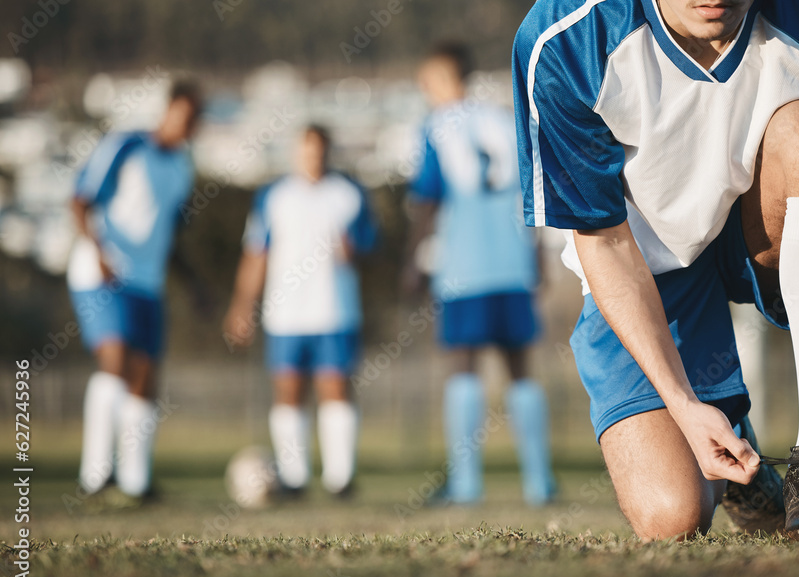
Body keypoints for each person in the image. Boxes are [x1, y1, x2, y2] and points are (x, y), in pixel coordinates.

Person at [513, 0, 799, 539]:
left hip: (766, 233)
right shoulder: (566, 38)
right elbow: (605, 241)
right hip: (648, 271)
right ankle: (743, 468)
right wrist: (684, 405)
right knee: (674, 518)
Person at [403, 42, 557, 506]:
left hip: (463, 266)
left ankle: (466, 483)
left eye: (428, 82)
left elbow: (428, 199)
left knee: (463, 366)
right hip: (512, 261)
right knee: (520, 370)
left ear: (450, 79)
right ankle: (539, 482)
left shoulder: (437, 126)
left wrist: (411, 259)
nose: (425, 92)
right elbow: (533, 191)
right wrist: (538, 258)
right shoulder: (503, 121)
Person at [224, 125, 377, 497]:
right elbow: (256, 254)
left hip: (336, 311)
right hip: (285, 313)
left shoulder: (349, 194)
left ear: (328, 152)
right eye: (307, 150)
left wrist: (352, 250)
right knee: (289, 392)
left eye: (320, 150)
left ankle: (340, 479)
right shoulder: (273, 197)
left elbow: (370, 244)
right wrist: (242, 305)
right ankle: (294, 479)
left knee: (335, 388)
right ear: (296, 152)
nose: (313, 157)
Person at [70, 79, 202, 500]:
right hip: (103, 274)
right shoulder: (126, 146)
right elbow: (79, 200)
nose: (188, 125)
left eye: (196, 120)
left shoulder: (183, 167)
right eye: (183, 115)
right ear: (168, 111)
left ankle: (135, 481)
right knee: (116, 359)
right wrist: (99, 251)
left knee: (145, 376)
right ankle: (94, 476)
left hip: (149, 283)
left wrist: (194, 284)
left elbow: (170, 237)